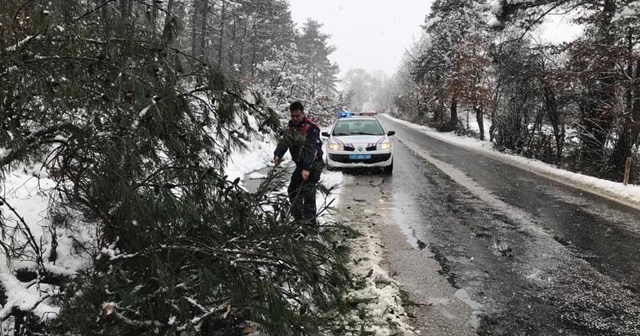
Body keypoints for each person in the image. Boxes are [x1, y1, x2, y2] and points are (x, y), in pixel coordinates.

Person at [274, 101, 324, 224]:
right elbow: (284, 142)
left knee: (308, 193)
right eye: (293, 116)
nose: (295, 118)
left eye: (298, 116)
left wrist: (307, 168)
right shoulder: (290, 128)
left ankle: (310, 225)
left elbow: (313, 150)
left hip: (314, 164)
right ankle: (298, 220)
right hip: (300, 164)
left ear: (303, 114)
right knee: (292, 191)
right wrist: (278, 154)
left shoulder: (311, 128)